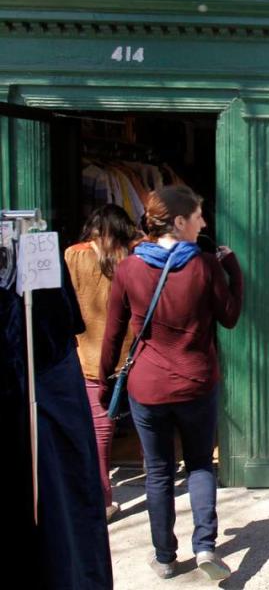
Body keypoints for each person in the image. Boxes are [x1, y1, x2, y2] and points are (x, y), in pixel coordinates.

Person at [99, 185, 243, 581]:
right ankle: (205, 548)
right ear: (179, 222)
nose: (204, 223)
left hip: (148, 387)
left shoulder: (129, 268)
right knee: (199, 465)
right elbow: (229, 317)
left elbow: (113, 333)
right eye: (198, 216)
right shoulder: (204, 265)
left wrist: (102, 380)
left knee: (159, 471)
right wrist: (233, 270)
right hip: (196, 383)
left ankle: (164, 557)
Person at [64, 204, 140, 522]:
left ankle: (100, 496)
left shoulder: (72, 255)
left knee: (95, 429)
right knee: (128, 424)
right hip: (126, 356)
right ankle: (102, 497)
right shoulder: (129, 259)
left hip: (85, 356)